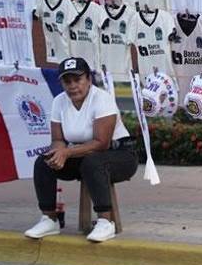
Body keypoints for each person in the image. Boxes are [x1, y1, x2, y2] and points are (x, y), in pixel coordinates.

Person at [24, 56, 137, 242]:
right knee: (43, 162)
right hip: (83, 157)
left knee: (93, 162)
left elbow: (102, 143)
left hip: (120, 155)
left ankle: (105, 222)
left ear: (89, 80)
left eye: (78, 79)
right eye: (67, 81)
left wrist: (66, 152)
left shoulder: (102, 99)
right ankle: (49, 219)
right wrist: (58, 153)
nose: (73, 86)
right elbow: (58, 139)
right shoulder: (59, 102)